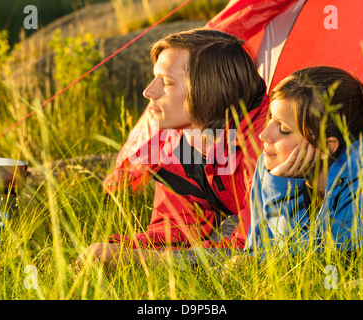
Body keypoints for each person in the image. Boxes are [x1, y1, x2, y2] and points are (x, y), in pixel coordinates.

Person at [76, 29, 269, 270]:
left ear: (208, 90)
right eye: (154, 78)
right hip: (238, 229)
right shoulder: (176, 145)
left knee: (227, 237)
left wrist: (139, 260)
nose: (149, 92)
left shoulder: (267, 143)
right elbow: (175, 226)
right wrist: (124, 249)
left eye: (166, 82)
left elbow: (252, 246)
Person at [245, 64, 363, 258]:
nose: (264, 135)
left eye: (284, 129)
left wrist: (283, 193)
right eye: (270, 118)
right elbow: (259, 252)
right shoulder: (274, 163)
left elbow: (320, 268)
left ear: (326, 146)